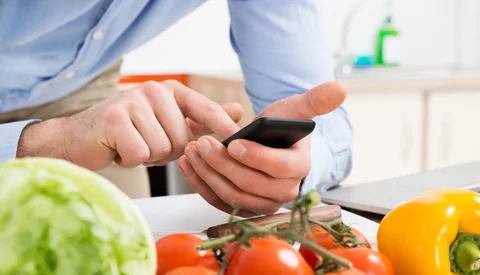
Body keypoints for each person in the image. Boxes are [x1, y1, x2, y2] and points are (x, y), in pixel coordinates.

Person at [0, 0, 353, 217]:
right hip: (76, 113)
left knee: (125, 263)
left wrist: (290, 167)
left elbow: (315, 114)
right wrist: (54, 142)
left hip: (80, 87)